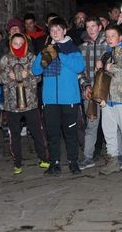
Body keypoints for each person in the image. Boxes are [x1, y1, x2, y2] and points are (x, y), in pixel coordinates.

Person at [32, 17, 85, 175]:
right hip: (49, 100)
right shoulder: (47, 49)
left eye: (58, 29)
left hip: (69, 98)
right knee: (52, 133)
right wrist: (45, 54)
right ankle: (54, 163)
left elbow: (79, 67)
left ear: (64, 31)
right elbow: (35, 70)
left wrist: (61, 54)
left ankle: (73, 162)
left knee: (70, 133)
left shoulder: (73, 48)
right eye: (52, 30)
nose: (55, 32)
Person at [0, 33, 50, 174]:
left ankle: (43, 158)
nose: (18, 46)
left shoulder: (32, 58)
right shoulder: (5, 59)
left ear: (25, 44)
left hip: (30, 103)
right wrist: (8, 77)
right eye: (15, 44)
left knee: (37, 131)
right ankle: (17, 162)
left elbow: (39, 77)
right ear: (10, 44)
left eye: (21, 43)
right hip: (12, 104)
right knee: (14, 135)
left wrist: (29, 76)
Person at [97, 25, 122, 176]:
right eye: (107, 36)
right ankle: (112, 161)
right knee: (109, 131)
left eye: (113, 36)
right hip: (107, 98)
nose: (109, 39)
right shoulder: (107, 53)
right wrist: (100, 67)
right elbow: (104, 74)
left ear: (120, 37)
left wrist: (111, 68)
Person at [77, 16, 108, 170]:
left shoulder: (108, 44)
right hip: (90, 92)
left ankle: (117, 156)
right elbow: (79, 71)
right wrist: (86, 86)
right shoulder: (82, 48)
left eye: (93, 26)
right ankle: (88, 157)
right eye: (88, 27)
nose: (90, 29)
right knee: (91, 125)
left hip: (108, 92)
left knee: (112, 125)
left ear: (99, 27)